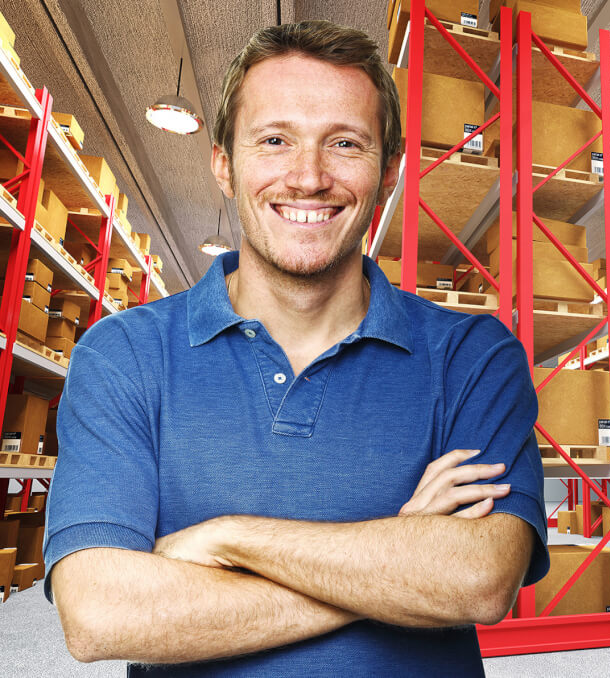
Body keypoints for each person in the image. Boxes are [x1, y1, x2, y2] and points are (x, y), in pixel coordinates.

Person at [43, 21, 548, 676]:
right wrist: (396, 558)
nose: (309, 177)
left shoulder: (473, 358)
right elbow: (99, 613)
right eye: (275, 140)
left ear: (389, 172)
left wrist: (229, 538)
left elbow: (480, 580)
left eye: (345, 143)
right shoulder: (123, 355)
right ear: (224, 164)